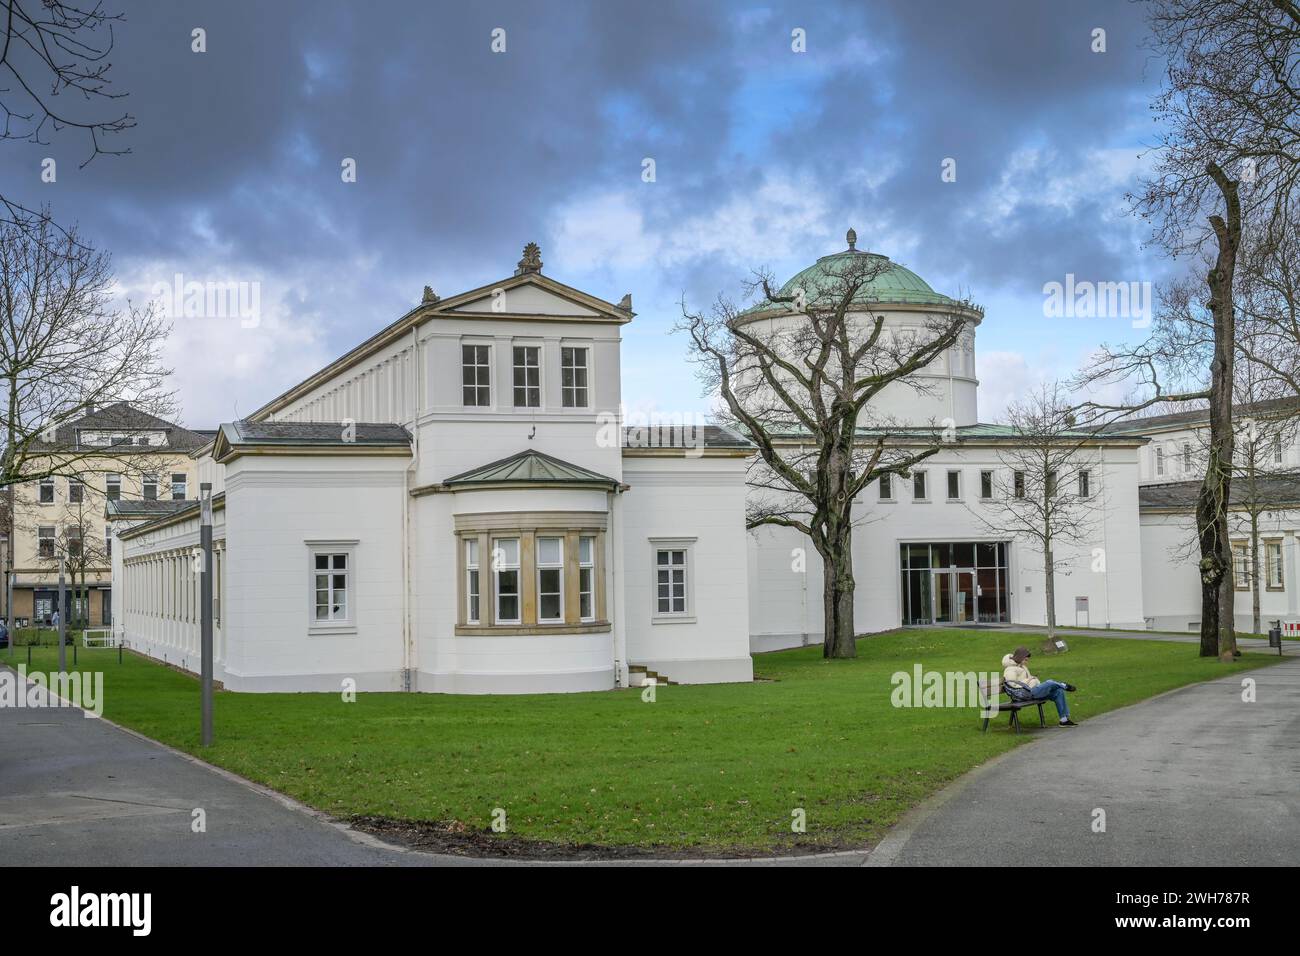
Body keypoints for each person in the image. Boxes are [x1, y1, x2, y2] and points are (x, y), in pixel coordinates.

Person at [1001, 646, 1078, 726]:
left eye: (1027, 660)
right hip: (1025, 694)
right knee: (1049, 682)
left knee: (1058, 691)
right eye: (1025, 660)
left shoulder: (1022, 667)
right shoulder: (1010, 669)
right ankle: (1063, 685)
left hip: (1032, 692)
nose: (1027, 662)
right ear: (1019, 658)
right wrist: (1029, 680)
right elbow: (1012, 684)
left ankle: (1064, 720)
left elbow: (1026, 681)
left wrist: (1032, 680)